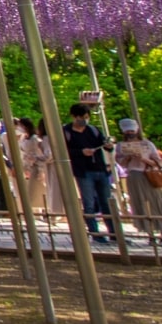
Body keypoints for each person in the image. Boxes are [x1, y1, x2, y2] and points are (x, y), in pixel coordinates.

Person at [63, 102, 121, 244]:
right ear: (73, 116)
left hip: (100, 169)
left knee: (107, 202)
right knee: (88, 203)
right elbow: (63, 152)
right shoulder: (67, 132)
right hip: (83, 171)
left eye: (86, 117)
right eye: (80, 117)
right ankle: (95, 233)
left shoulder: (93, 130)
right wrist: (81, 152)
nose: (84, 120)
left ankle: (114, 232)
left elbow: (106, 146)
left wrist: (108, 146)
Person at [113, 118, 162, 243]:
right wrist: (128, 157)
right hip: (134, 176)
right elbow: (121, 163)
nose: (130, 133)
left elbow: (158, 162)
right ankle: (150, 234)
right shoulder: (121, 146)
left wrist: (143, 159)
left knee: (156, 202)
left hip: (149, 174)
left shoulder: (147, 144)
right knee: (141, 203)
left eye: (132, 131)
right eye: (127, 131)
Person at [18, 116, 61, 217]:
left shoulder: (40, 138)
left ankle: (51, 213)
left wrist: (37, 160)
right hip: (32, 164)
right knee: (42, 190)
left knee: (42, 190)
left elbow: (47, 155)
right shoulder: (24, 137)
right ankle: (48, 212)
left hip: (40, 165)